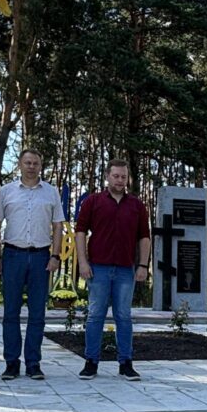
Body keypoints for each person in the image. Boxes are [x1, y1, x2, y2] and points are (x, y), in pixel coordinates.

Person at [0, 149, 65, 381]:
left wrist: (55, 256)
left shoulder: (51, 192)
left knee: (37, 313)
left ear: (41, 166)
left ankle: (33, 363)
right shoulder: (6, 191)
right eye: (27, 162)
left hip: (41, 257)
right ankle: (11, 363)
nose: (31, 166)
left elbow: (58, 226)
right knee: (10, 313)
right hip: (13, 255)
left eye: (35, 163)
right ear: (19, 165)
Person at [75, 159, 151, 381]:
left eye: (123, 177)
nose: (120, 180)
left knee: (123, 316)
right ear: (107, 176)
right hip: (98, 268)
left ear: (128, 179)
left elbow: (144, 237)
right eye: (116, 176)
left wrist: (143, 265)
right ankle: (91, 362)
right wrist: (83, 262)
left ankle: (126, 363)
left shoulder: (137, 205)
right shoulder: (93, 201)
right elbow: (80, 232)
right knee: (95, 315)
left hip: (126, 270)